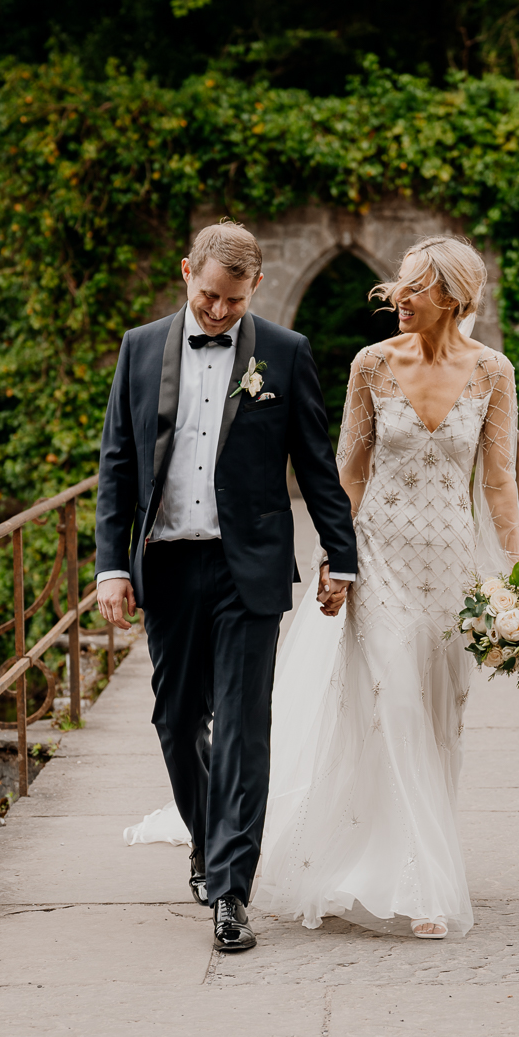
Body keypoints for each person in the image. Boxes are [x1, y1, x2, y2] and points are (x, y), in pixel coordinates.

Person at [95, 221, 359, 954]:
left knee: (245, 727)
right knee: (177, 722)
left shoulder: (284, 353)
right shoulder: (140, 348)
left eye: (233, 302)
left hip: (252, 568)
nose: (218, 312)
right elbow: (117, 464)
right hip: (169, 566)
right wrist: (111, 566)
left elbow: (315, 463)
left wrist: (343, 556)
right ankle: (209, 836)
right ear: (187, 273)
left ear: (256, 289)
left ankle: (231, 890)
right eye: (209, 296)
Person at [255, 235, 519, 939]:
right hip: (379, 562)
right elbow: (349, 472)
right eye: (397, 287)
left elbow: (499, 481)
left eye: (413, 288)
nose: (395, 298)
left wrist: (518, 577)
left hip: (454, 572)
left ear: (453, 297)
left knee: (439, 717)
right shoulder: (370, 365)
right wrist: (332, 562)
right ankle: (427, 893)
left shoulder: (493, 372)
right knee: (396, 704)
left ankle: (408, 860)